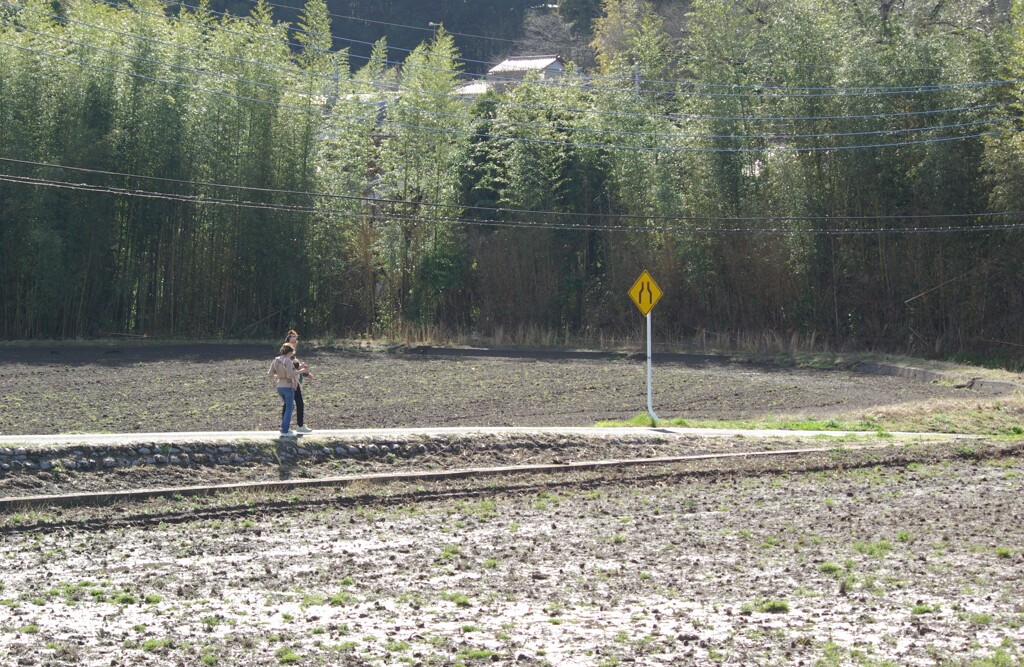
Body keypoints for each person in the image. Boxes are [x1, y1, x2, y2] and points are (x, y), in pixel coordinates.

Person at [284, 330, 315, 433]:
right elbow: (293, 366)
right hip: (292, 382)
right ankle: (298, 426)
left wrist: (306, 373)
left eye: (296, 337)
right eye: (293, 337)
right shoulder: (288, 353)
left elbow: (296, 366)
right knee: (296, 404)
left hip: (295, 381)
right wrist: (302, 368)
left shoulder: (292, 353)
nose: (296, 338)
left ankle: (287, 426)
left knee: (290, 404)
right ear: (289, 338)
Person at [268, 343, 299, 437]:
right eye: (292, 353)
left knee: (288, 406)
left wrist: (280, 376)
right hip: (288, 387)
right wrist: (300, 371)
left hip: (279, 386)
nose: (292, 355)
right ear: (289, 352)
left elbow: (270, 374)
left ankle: (283, 427)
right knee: (290, 408)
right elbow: (290, 376)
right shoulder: (288, 361)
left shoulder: (275, 360)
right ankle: (285, 430)